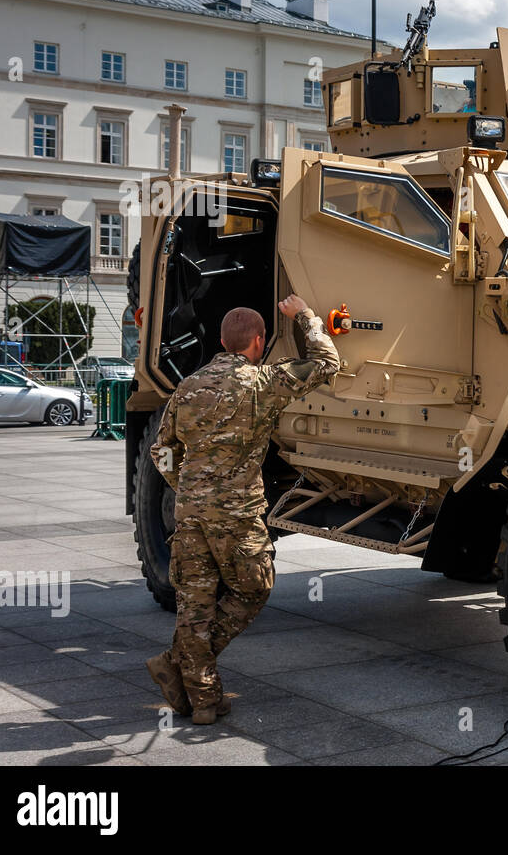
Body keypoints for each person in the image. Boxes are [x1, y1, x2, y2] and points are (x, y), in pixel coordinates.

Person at [145, 296, 340, 723]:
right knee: (253, 589)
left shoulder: (188, 387)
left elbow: (161, 450)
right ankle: (180, 671)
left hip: (191, 512)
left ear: (220, 340)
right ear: (258, 341)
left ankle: (202, 699)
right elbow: (327, 363)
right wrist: (305, 316)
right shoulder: (264, 382)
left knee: (194, 607)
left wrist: (189, 487)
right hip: (237, 514)